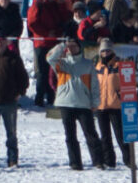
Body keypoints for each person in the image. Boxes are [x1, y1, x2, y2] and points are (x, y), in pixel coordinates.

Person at [47, 40, 111, 170]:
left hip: (83, 103)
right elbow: (49, 57)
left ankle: (98, 161)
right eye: (69, 46)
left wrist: (95, 102)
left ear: (79, 47)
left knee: (90, 133)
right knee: (70, 135)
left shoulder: (87, 64)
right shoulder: (61, 63)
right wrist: (62, 45)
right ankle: (75, 162)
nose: (71, 48)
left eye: (74, 46)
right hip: (65, 103)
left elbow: (94, 85)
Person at [0, 42, 27, 168]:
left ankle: (12, 159)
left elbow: (23, 77)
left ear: (6, 42)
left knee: (11, 134)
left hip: (9, 102)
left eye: (1, 41)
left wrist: (20, 92)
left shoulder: (14, 57)